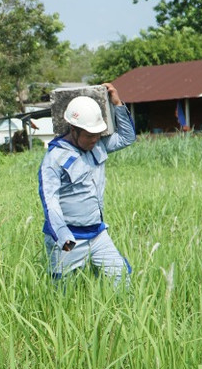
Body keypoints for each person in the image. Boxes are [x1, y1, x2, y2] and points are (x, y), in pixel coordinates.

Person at [38, 83, 135, 288]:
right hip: (69, 239)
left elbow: (127, 137)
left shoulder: (97, 144)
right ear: (74, 130)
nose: (95, 139)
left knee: (121, 277)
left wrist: (117, 104)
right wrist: (63, 236)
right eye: (90, 135)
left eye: (98, 134)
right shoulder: (53, 159)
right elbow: (50, 202)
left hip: (98, 233)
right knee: (63, 294)